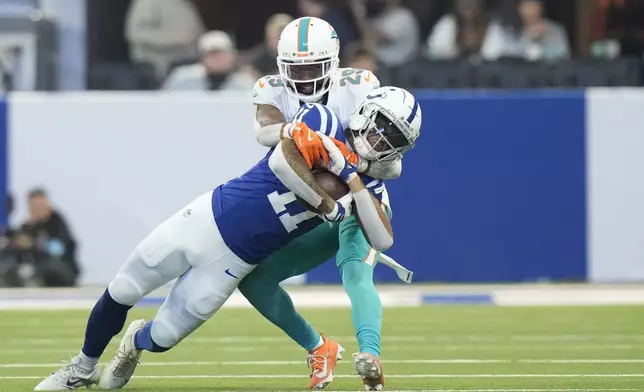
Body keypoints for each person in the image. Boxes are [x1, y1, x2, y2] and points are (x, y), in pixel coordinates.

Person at [33, 95, 399, 390]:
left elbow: (381, 238)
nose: (381, 139)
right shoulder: (323, 121)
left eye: (393, 137)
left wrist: (353, 181)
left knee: (163, 337)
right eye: (381, 126)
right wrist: (329, 205)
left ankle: (135, 343)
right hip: (206, 218)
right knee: (124, 288)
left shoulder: (369, 186)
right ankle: (81, 368)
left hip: (233, 263)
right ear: (366, 113)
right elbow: (283, 163)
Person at [248, 16, 420, 390]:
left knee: (356, 271)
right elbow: (264, 130)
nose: (306, 76)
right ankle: (318, 346)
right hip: (310, 203)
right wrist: (293, 130)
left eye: (314, 66)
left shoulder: (359, 85)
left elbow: (393, 167)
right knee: (253, 279)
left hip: (361, 199)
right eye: (297, 68)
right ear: (281, 65)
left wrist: (346, 163)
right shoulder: (270, 89)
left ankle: (371, 354)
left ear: (333, 62)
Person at [163, 31, 255, 91]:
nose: (217, 59)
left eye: (221, 54)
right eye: (212, 55)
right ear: (202, 58)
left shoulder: (246, 84)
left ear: (231, 56)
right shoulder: (182, 79)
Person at [427, 0, 515, 60]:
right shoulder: (447, 25)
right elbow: (434, 58)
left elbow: (498, 60)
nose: (468, 3)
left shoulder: (495, 28)